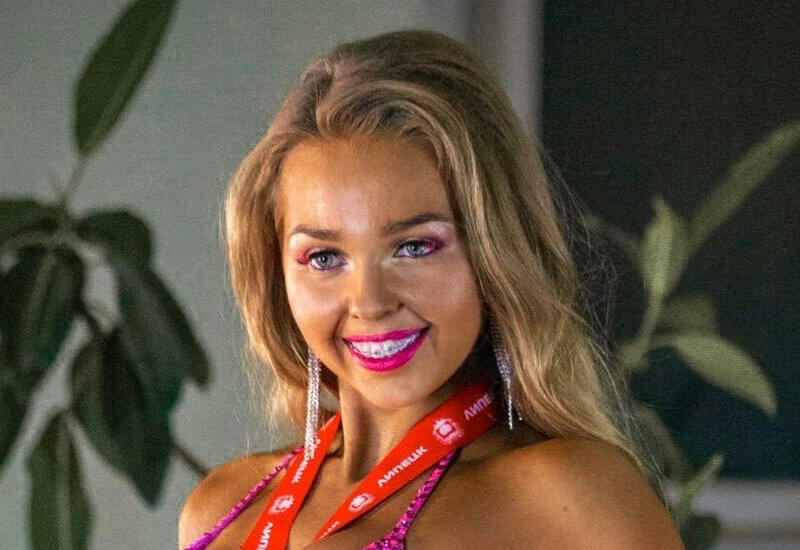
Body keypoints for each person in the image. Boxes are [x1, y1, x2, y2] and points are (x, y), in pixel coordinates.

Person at [179, 30, 684, 549]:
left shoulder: (569, 496)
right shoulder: (222, 505)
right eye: (324, 257)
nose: (371, 302)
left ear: (494, 253)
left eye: (415, 247)